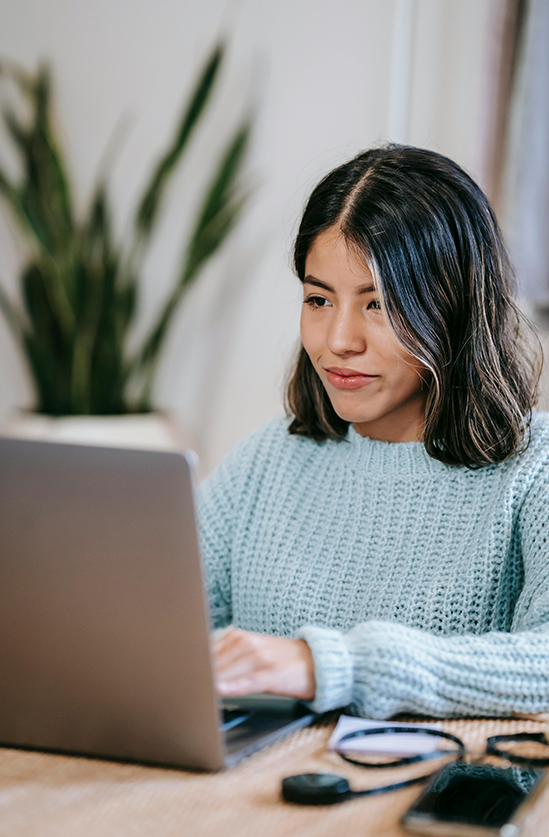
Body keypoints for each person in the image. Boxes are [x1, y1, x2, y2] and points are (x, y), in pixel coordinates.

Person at [199, 144, 549, 719]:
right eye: (318, 299)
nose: (339, 340)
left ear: (456, 307)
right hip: (251, 795)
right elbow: (155, 631)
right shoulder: (267, 460)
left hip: (426, 799)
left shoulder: (532, 470)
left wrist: (330, 666)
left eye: (379, 304)